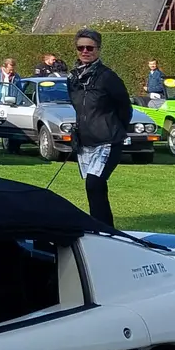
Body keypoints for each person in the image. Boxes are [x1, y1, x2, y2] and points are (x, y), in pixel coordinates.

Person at [67, 29, 132, 229]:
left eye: (90, 48)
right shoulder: (73, 78)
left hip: (108, 140)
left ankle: (102, 229)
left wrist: (114, 128)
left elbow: (125, 107)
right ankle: (103, 229)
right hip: (86, 141)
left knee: (94, 183)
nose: (85, 51)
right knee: (94, 188)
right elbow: (80, 108)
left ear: (98, 49)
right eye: (81, 48)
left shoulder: (108, 77)